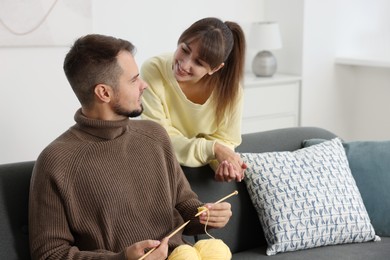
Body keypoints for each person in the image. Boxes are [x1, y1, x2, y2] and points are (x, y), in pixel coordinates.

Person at [28, 34, 232, 260]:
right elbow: (49, 255)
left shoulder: (154, 135)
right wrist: (121, 259)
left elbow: (184, 205)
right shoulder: (56, 160)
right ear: (104, 92)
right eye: (134, 80)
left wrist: (205, 216)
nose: (144, 85)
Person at [140, 17, 247, 183]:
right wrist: (213, 149)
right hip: (157, 166)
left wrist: (223, 162)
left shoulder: (230, 91)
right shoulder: (154, 70)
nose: (184, 64)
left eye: (198, 62)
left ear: (215, 68)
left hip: (197, 177)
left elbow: (227, 139)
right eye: (185, 49)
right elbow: (158, 136)